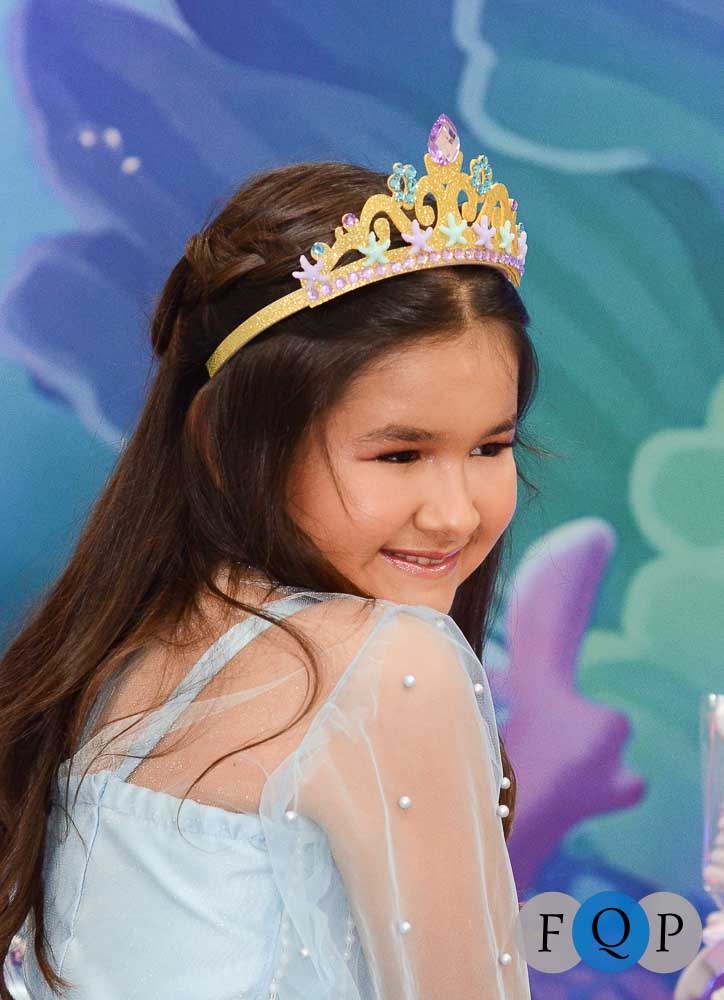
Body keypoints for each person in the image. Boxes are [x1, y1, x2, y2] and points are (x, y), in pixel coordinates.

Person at [0, 113, 541, 998]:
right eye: (399, 455)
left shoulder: (122, 649)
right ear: (232, 444)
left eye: (491, 447)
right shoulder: (391, 665)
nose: (454, 513)